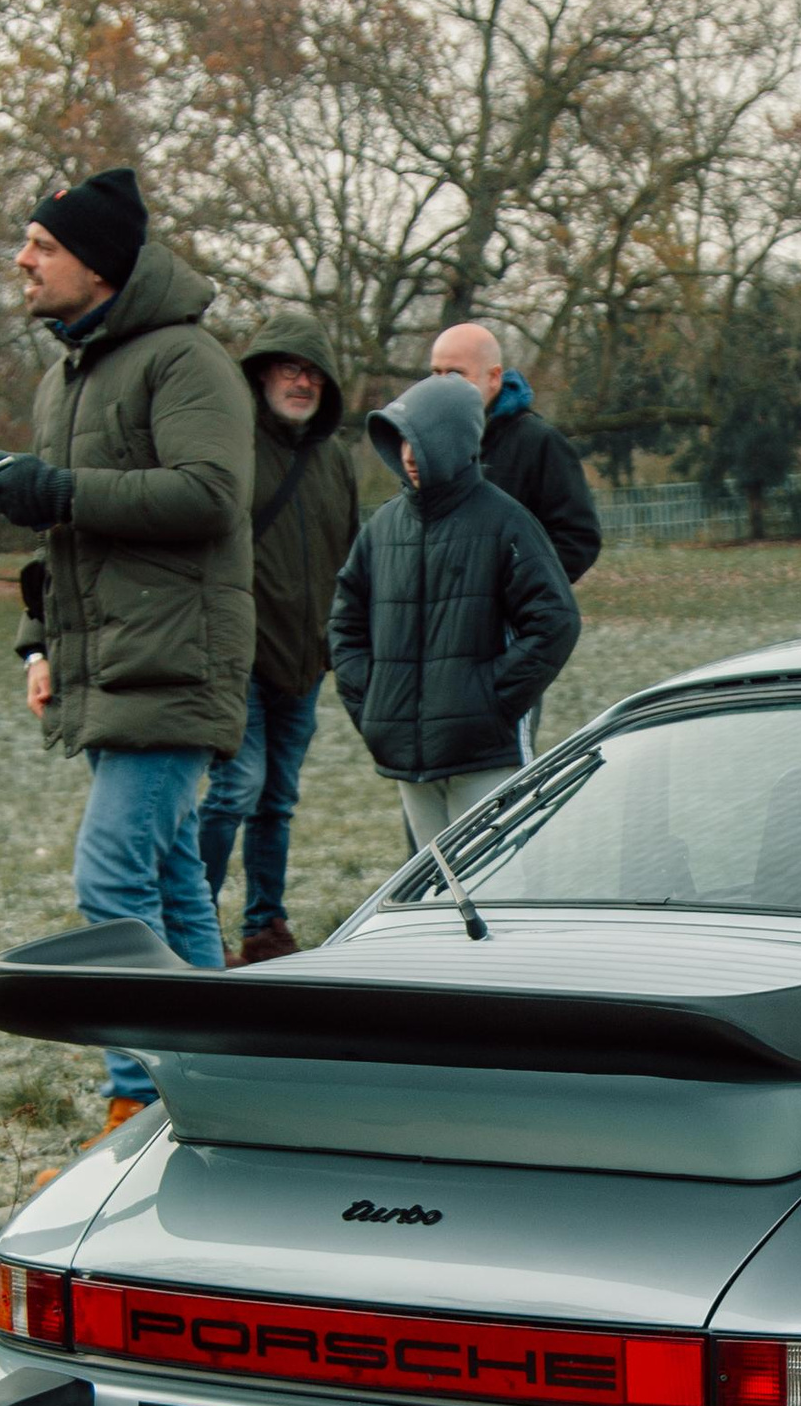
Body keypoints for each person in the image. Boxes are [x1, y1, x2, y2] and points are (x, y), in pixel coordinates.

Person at [0, 166, 252, 1135]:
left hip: (172, 668)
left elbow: (210, 491)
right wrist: (35, 643)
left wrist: (62, 488)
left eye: (40, 245)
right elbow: (62, 540)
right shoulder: (65, 375)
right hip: (106, 672)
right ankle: (220, 1080)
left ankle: (137, 1096)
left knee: (110, 875)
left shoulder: (185, 359)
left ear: (99, 261)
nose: (22, 260)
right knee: (170, 879)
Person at [329, 371, 580, 851]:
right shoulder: (382, 527)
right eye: (399, 439)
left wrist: (489, 701)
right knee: (435, 896)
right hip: (409, 759)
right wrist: (376, 704)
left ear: (456, 440)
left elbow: (555, 621)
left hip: (486, 757)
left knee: (499, 889)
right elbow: (345, 621)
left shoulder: (505, 520)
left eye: (420, 439)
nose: (407, 454)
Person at [197, 311, 359, 965]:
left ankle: (266, 930)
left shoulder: (336, 460)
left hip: (306, 663)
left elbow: (349, 558)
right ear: (262, 371)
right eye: (291, 367)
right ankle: (193, 918)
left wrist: (338, 646)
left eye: (315, 371)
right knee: (237, 790)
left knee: (276, 801)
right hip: (241, 660)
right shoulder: (229, 448)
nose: (303, 381)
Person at [428, 322, 601, 585]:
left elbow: (576, 539)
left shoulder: (538, 442)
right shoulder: (425, 441)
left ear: (494, 377)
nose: (442, 385)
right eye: (436, 373)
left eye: (455, 374)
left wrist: (511, 591)